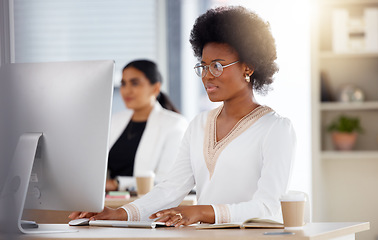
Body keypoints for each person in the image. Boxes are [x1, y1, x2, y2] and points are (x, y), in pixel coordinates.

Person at [70, 6, 296, 227]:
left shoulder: (275, 129)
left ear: (248, 68)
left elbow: (269, 206)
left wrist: (201, 212)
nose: (207, 76)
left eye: (217, 66)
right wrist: (121, 213)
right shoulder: (199, 124)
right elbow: (170, 189)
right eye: (203, 66)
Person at [105, 60, 188, 192]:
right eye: (123, 84)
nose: (127, 90)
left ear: (155, 88)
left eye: (135, 83)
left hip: (148, 206)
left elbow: (169, 180)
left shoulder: (174, 125)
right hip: (110, 204)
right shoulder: (115, 121)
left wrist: (118, 184)